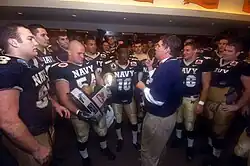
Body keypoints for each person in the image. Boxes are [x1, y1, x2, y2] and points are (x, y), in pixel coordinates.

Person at [0, 23, 60, 166]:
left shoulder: (32, 61)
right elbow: (7, 120)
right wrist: (36, 148)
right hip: (30, 135)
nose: (35, 42)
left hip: (45, 127)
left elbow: (41, 89)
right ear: (14, 42)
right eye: (29, 39)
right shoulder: (7, 69)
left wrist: (55, 104)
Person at [49, 40, 115, 166]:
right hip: (78, 108)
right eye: (79, 53)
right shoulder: (60, 69)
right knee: (82, 136)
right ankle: (85, 157)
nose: (82, 56)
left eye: (83, 53)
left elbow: (98, 79)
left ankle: (104, 148)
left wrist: (104, 93)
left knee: (102, 130)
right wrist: (78, 112)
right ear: (69, 52)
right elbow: (63, 97)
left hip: (96, 105)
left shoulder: (90, 63)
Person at [136, 35, 183, 166]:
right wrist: (151, 69)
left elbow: (157, 99)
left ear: (167, 49)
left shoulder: (166, 68)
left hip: (158, 118)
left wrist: (143, 87)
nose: (155, 48)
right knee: (159, 148)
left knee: (148, 152)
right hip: (167, 114)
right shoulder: (171, 64)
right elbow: (161, 85)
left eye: (158, 45)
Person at [202, 40, 250, 166]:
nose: (225, 52)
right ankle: (210, 150)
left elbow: (248, 88)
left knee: (219, 132)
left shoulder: (242, 66)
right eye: (225, 50)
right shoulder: (215, 62)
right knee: (209, 127)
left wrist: (238, 105)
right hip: (210, 101)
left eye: (230, 51)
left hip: (224, 103)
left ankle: (215, 157)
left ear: (238, 53)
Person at [171, 42, 213, 161]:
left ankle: (190, 147)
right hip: (178, 97)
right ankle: (178, 139)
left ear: (195, 51)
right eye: (184, 50)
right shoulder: (179, 62)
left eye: (188, 50)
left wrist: (201, 103)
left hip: (192, 98)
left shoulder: (202, 63)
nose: (184, 52)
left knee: (190, 124)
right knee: (178, 120)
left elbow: (206, 85)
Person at [103, 44, 143, 152]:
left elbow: (139, 78)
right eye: (123, 53)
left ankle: (135, 140)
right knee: (118, 120)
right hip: (116, 98)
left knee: (134, 120)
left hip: (129, 97)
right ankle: (120, 138)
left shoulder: (134, 64)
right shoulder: (110, 66)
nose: (126, 56)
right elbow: (105, 82)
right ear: (117, 54)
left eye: (128, 53)